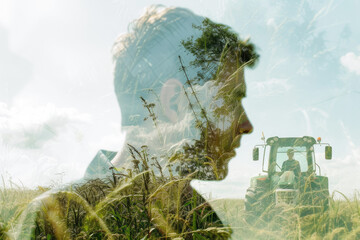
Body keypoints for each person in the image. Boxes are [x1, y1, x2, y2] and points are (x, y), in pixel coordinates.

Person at [11, 6, 258, 239]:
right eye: (228, 101)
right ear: (175, 103)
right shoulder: (54, 218)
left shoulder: (205, 222)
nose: (246, 125)